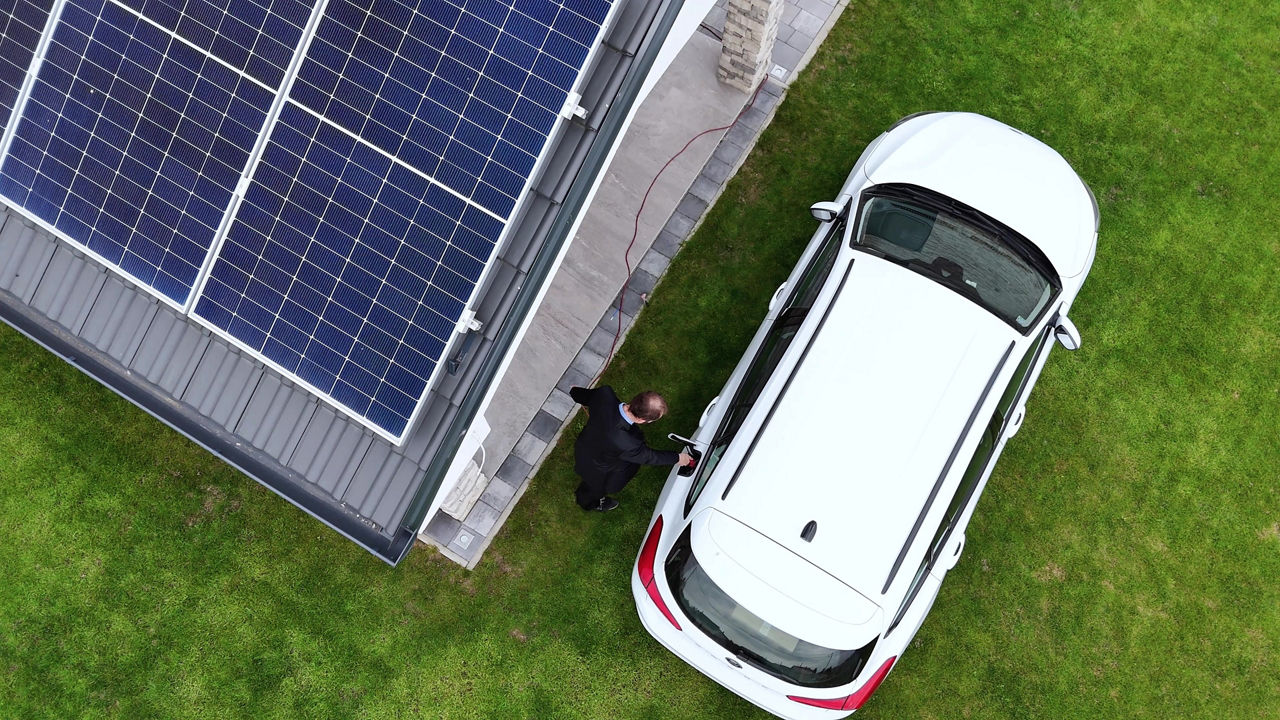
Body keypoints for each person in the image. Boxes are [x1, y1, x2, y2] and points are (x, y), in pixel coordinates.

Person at [568, 385, 693, 511]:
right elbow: (649, 457)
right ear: (641, 420)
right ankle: (589, 502)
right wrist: (678, 458)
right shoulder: (627, 444)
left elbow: (585, 396)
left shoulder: (605, 394)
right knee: (597, 487)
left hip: (584, 445)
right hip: (596, 465)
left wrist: (574, 391)